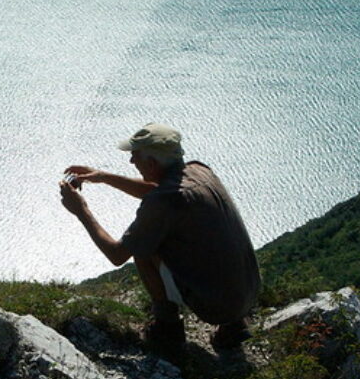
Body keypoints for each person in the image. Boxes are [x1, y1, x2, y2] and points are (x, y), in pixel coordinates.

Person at [59, 123, 260, 351]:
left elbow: (117, 254)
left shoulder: (164, 200)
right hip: (249, 292)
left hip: (218, 307)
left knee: (142, 246)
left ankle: (168, 328)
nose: (131, 162)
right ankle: (234, 327)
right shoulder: (199, 170)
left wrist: (81, 210)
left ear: (152, 163)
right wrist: (104, 177)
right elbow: (156, 189)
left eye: (135, 156)